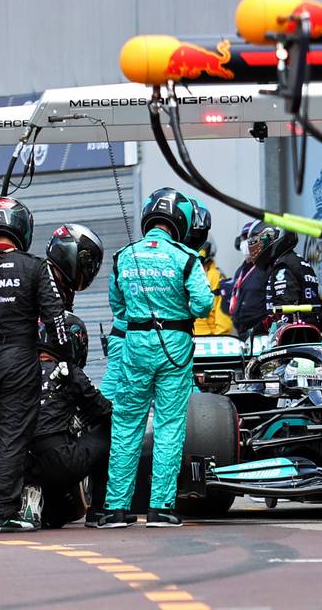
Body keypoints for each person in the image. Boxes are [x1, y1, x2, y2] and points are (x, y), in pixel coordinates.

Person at [0, 196, 68, 533]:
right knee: (11, 439)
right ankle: (1, 514)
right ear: (21, 228)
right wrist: (63, 355)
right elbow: (56, 319)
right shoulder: (35, 267)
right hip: (20, 360)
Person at [103, 188, 214, 528]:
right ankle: (160, 509)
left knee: (125, 425)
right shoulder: (186, 257)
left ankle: (116, 509)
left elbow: (117, 305)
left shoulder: (125, 255)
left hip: (134, 342)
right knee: (169, 426)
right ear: (179, 220)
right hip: (175, 345)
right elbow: (203, 305)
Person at [27, 312, 115, 529]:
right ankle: (100, 510)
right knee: (109, 428)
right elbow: (103, 409)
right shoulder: (69, 372)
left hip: (20, 463)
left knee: (59, 518)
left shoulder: (17, 371)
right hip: (58, 460)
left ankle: (32, 496)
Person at [253, 223, 322, 332]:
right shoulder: (299, 261)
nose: (261, 244)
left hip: (296, 336)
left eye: (266, 239)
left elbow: (286, 310)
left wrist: (260, 329)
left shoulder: (283, 266)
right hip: (311, 329)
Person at [45, 223, 105, 312]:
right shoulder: (43, 281)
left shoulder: (65, 287)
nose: (88, 269)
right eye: (85, 262)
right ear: (69, 251)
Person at [226, 221, 268, 338]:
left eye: (249, 238)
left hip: (260, 334)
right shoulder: (241, 270)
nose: (246, 242)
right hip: (241, 332)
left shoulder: (266, 267)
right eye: (244, 238)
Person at [193, 240, 233, 335]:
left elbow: (224, 323)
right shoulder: (180, 274)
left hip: (207, 339)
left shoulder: (215, 277)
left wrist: (217, 341)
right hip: (185, 338)